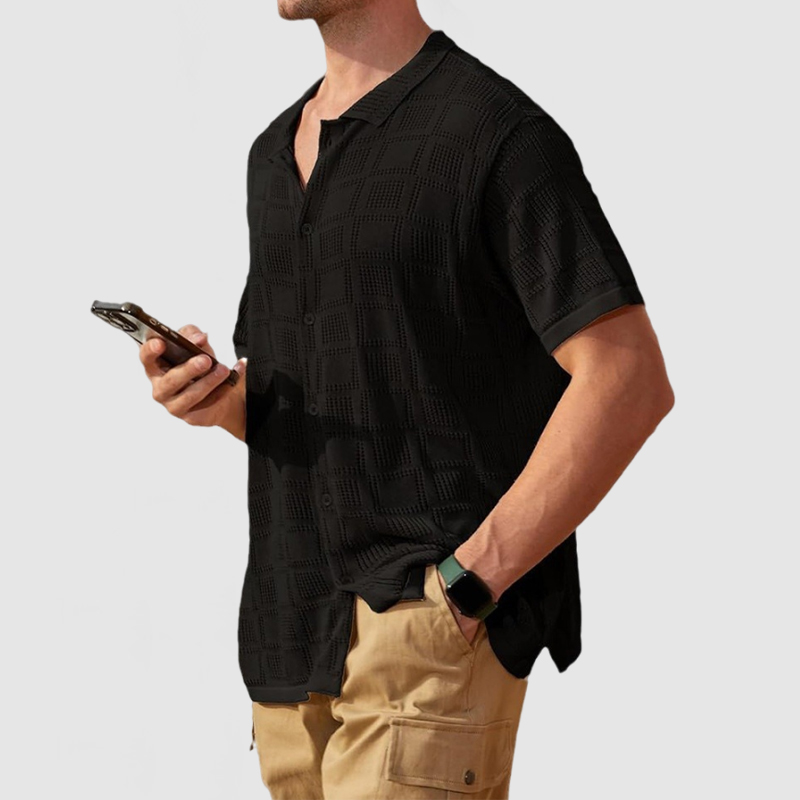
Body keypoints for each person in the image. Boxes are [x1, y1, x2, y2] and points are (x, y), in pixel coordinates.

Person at [139, 1, 675, 797]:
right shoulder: (272, 155)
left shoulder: (496, 133)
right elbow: (335, 399)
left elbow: (627, 379)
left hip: (423, 645)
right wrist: (217, 400)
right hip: (289, 650)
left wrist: (468, 584)